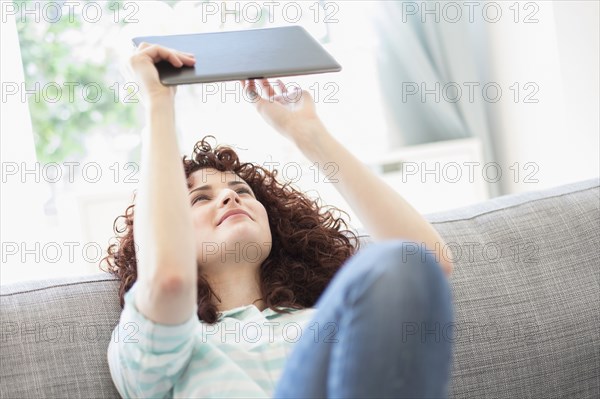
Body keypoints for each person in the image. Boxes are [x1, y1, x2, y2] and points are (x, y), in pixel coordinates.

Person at [102, 43, 456, 399]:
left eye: (241, 191)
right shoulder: (158, 347)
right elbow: (168, 279)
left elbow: (424, 264)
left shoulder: (322, 322)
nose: (230, 197)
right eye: (199, 198)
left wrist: (308, 132)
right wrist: (158, 102)